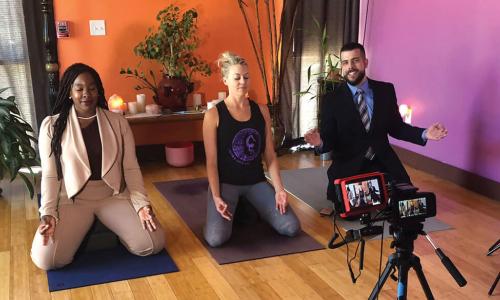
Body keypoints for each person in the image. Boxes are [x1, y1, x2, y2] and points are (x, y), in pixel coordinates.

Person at [31, 63, 165, 270]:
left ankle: (121, 230)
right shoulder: (52, 126)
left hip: (112, 195)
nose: (86, 94)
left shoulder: (117, 122)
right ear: (69, 92)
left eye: (92, 88)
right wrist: (48, 212)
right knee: (47, 260)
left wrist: (141, 205)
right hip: (72, 199)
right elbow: (50, 175)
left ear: (99, 90)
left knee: (153, 243)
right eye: (79, 88)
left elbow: (130, 168)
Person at [304, 42, 447, 211]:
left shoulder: (385, 91)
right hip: (350, 166)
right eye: (345, 62)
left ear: (365, 62)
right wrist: (320, 142)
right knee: (354, 212)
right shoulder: (331, 100)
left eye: (355, 60)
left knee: (406, 206)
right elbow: (330, 138)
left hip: (383, 163)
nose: (350, 67)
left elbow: (397, 128)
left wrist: (424, 134)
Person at [203, 52, 300, 247]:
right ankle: (240, 208)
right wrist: (215, 195)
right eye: (236, 77)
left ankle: (247, 207)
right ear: (225, 80)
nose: (242, 81)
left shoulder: (261, 111)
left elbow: (270, 155)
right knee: (216, 239)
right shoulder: (213, 115)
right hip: (226, 184)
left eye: (246, 77)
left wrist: (280, 190)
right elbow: (211, 163)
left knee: (290, 227)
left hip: (255, 182)